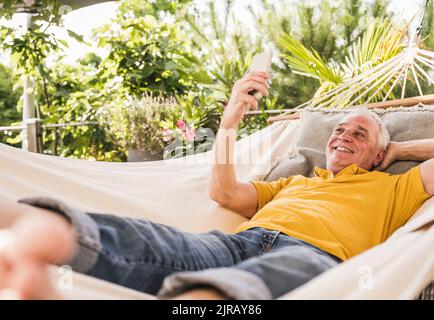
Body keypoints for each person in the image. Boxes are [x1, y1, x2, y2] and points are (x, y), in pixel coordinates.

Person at [0, 72, 433, 300]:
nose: (342, 137)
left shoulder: (395, 188)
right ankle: (27, 223)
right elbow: (225, 194)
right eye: (339, 130)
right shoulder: (294, 183)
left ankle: (205, 296)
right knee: (160, 241)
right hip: (238, 243)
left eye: (359, 135)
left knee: (282, 276)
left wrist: (400, 150)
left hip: (316, 255)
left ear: (379, 154)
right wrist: (229, 123)